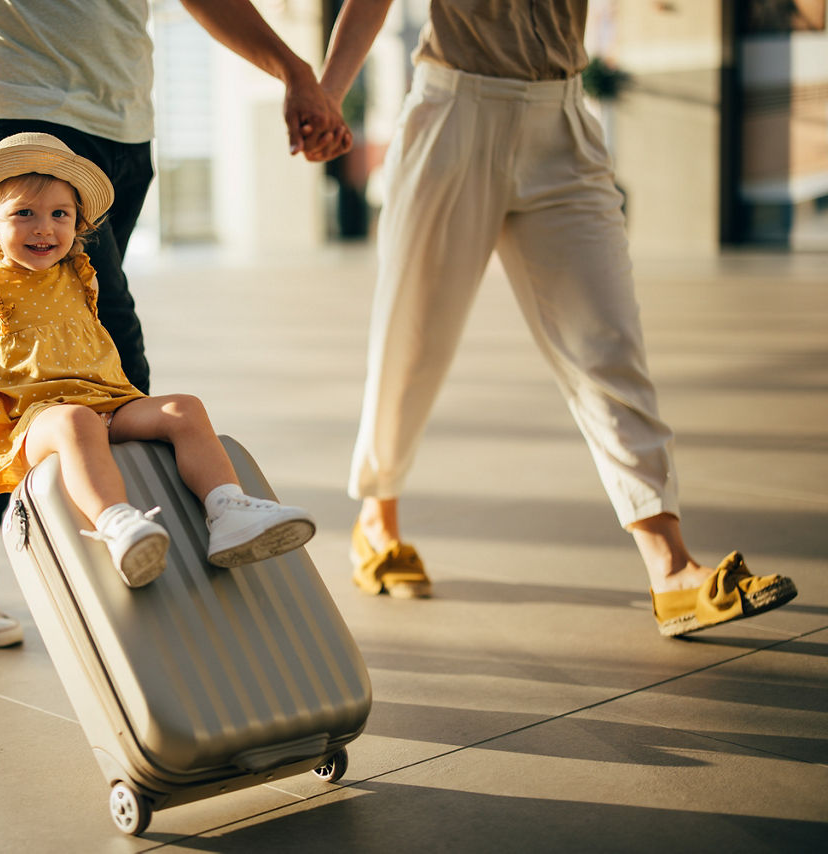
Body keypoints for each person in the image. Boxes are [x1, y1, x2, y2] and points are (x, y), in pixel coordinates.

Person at [318, 0, 797, 636]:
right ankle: (377, 524)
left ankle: (672, 569)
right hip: (454, 114)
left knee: (608, 342)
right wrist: (326, 91)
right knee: (412, 340)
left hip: (562, 122)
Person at [0, 0, 350, 645]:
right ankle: (67, 543)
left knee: (96, 359)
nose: (48, 231)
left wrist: (293, 68)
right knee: (110, 365)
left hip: (123, 124)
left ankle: (209, 517)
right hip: (22, 105)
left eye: (60, 221)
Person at [0, 133, 316, 588]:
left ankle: (227, 509)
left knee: (185, 408)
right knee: (76, 422)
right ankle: (118, 524)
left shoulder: (78, 274)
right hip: (35, 420)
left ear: (77, 222)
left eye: (60, 214)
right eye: (24, 214)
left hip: (110, 402)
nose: (45, 228)